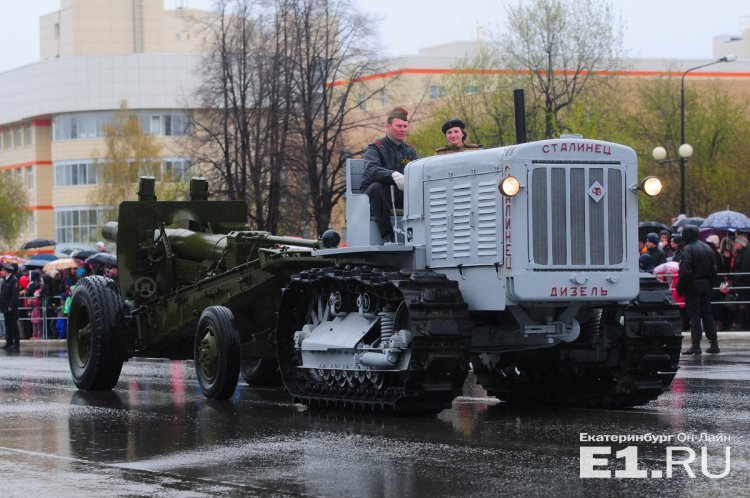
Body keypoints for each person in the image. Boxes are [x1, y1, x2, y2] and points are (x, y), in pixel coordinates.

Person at [360, 107, 418, 243]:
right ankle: (388, 237)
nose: (403, 130)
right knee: (376, 188)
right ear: (388, 126)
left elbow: (418, 171)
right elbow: (371, 169)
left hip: (399, 194)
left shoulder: (410, 151)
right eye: (399, 126)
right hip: (376, 197)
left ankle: (418, 236)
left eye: (405, 126)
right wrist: (392, 175)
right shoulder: (376, 147)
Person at [677, 225, 720, 354]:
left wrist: (680, 286)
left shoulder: (688, 249)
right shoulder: (707, 248)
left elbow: (686, 271)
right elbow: (714, 270)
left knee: (694, 315)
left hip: (693, 285)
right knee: (707, 314)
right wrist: (710, 285)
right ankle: (714, 343)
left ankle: (696, 345)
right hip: (706, 284)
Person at [0, 263, 21, 351]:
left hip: (11, 307)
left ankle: (16, 343)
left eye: (3, 270)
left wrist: (11, 305)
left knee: (13, 325)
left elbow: (14, 295)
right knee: (8, 325)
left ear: (7, 271)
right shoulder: (5, 280)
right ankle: (9, 342)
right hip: (5, 306)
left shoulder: (14, 280)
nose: (2, 272)